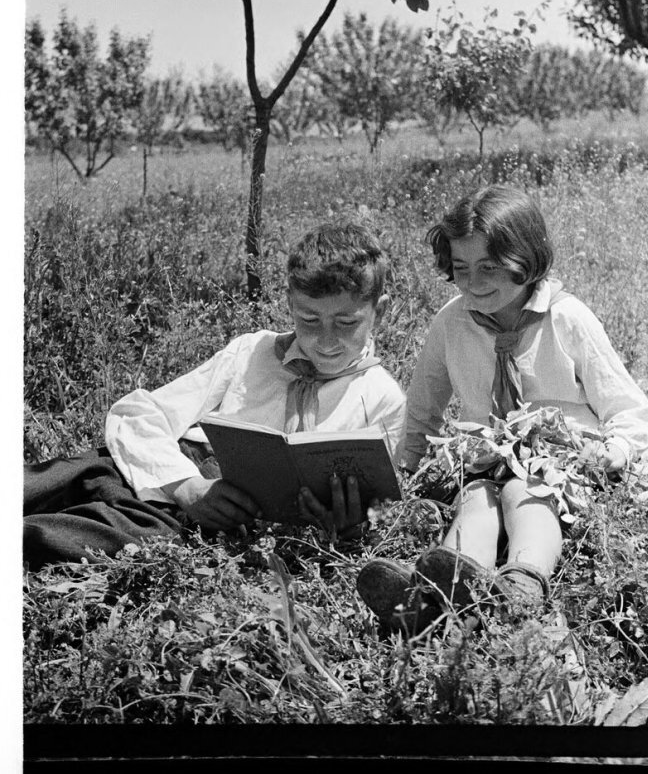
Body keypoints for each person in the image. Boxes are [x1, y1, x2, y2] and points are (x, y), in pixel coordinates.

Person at [357, 184, 648, 633]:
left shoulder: (566, 318)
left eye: (490, 268)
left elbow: (627, 407)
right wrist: (405, 471)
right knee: (475, 499)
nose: (474, 283)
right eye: (461, 269)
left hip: (562, 462)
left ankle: (522, 583)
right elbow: (423, 409)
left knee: (525, 492)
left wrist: (615, 450)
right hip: (489, 457)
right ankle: (440, 592)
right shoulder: (450, 323)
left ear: (527, 259)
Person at [24, 221, 407, 569]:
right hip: (167, 468)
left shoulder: (382, 399)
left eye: (346, 323)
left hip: (201, 516)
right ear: (289, 304)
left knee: (64, 537)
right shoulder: (253, 351)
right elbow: (139, 413)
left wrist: (346, 522)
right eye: (309, 319)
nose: (325, 340)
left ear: (380, 312)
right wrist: (186, 485)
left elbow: (381, 508)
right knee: (52, 479)